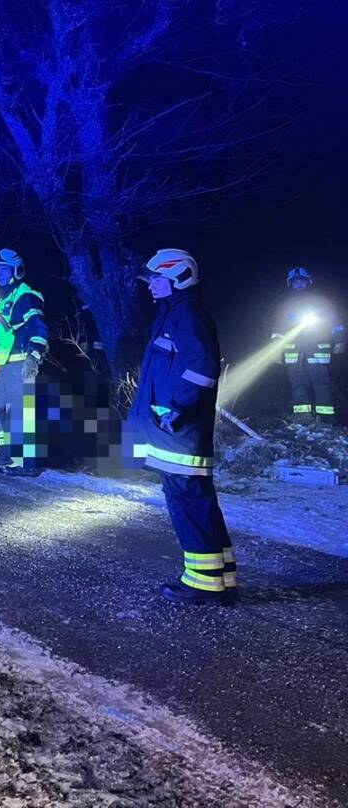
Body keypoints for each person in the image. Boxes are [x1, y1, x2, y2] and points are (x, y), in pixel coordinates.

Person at [128, 249, 236, 606]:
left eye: (156, 279)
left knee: (187, 502)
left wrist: (177, 409)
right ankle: (221, 579)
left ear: (178, 278)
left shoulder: (186, 316)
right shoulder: (175, 314)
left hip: (179, 431)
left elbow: (202, 368)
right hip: (174, 429)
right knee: (197, 502)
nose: (150, 286)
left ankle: (204, 585)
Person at [0, 249, 48, 476]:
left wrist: (34, 356)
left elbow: (39, 327)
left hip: (22, 363)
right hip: (8, 364)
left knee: (21, 415)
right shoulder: (6, 298)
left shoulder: (24, 295)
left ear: (16, 271)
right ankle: (8, 451)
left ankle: (26, 464)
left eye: (4, 270)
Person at [275, 268, 342, 423]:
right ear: (290, 284)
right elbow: (277, 329)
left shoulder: (320, 301)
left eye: (301, 281)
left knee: (321, 383)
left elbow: (336, 323)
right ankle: (302, 417)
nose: (298, 284)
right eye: (295, 282)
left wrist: (340, 340)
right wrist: (276, 350)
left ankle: (325, 419)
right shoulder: (285, 305)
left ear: (308, 282)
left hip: (317, 348)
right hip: (294, 351)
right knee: (297, 383)